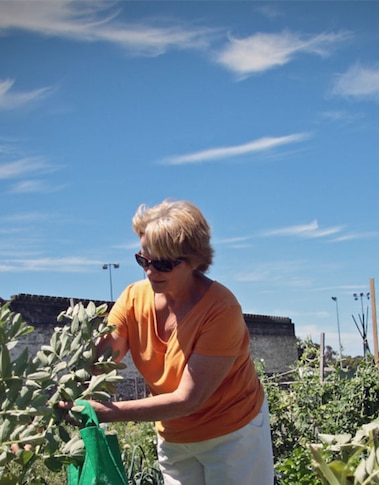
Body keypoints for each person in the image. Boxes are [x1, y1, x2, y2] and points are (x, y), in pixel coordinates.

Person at [81, 199, 274, 485]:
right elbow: (99, 363)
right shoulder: (134, 298)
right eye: (143, 260)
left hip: (233, 435)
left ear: (194, 260)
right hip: (174, 436)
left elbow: (188, 399)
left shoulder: (221, 309)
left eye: (162, 264)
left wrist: (107, 413)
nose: (150, 272)